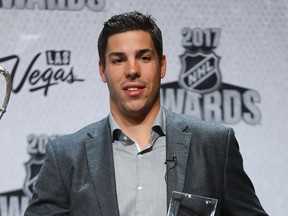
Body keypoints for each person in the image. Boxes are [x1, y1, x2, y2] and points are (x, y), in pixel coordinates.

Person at [24, 11, 268, 216]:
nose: (132, 70)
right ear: (102, 71)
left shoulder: (214, 145)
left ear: (162, 65)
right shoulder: (66, 157)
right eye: (118, 60)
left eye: (144, 57)